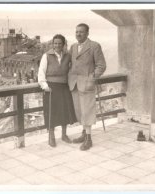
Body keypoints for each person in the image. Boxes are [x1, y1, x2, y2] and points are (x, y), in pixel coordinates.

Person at [68, 23, 106, 151]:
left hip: (87, 84)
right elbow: (70, 64)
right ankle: (84, 134)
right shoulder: (73, 47)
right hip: (74, 84)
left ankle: (89, 139)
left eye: (81, 32)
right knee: (80, 111)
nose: (78, 34)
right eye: (77, 31)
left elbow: (101, 65)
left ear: (87, 33)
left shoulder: (94, 46)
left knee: (87, 111)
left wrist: (91, 78)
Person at [38, 34, 77, 147]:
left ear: (63, 44)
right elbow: (41, 72)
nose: (57, 45)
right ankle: (51, 137)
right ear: (52, 44)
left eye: (60, 43)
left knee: (64, 111)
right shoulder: (46, 56)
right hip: (51, 87)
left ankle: (64, 135)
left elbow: (72, 69)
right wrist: (45, 86)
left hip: (64, 86)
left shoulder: (67, 56)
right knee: (52, 112)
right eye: (55, 43)